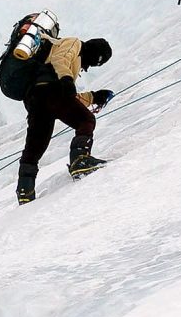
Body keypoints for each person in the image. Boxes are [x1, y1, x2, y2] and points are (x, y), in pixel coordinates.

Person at [16, 37, 114, 205]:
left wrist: (94, 97)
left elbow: (69, 99)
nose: (90, 67)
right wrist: (67, 79)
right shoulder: (74, 43)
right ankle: (80, 160)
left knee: (36, 145)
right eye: (96, 62)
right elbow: (60, 60)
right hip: (50, 91)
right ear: (94, 53)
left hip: (35, 98)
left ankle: (25, 190)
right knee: (86, 120)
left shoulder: (63, 66)